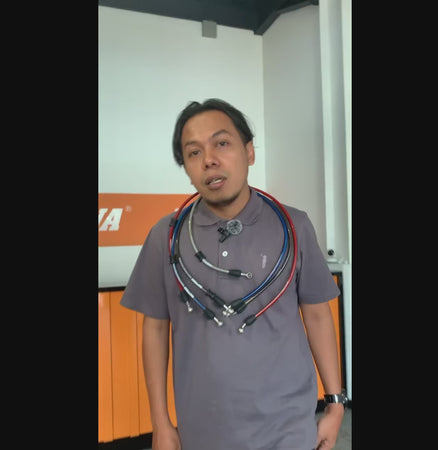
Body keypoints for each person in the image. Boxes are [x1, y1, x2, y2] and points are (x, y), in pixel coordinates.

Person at [120, 98, 346, 450]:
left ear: (249, 151)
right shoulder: (165, 236)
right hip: (203, 429)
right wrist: (160, 423)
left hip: (287, 428)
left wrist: (335, 403)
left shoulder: (294, 226)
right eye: (193, 152)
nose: (209, 159)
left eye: (222, 143)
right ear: (186, 168)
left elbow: (317, 315)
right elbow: (155, 329)